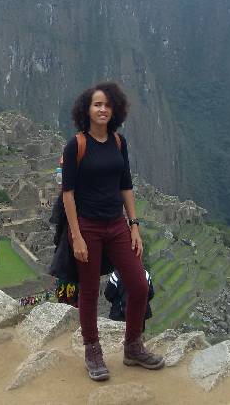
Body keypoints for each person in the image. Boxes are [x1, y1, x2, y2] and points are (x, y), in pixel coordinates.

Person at [61, 82, 163, 381]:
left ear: (114, 109)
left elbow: (126, 186)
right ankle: (93, 351)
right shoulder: (76, 144)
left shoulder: (119, 142)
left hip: (117, 225)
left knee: (139, 285)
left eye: (107, 104)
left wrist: (134, 225)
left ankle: (133, 346)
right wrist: (76, 236)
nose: (102, 109)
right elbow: (67, 194)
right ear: (87, 109)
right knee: (90, 292)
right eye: (97, 104)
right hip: (88, 226)